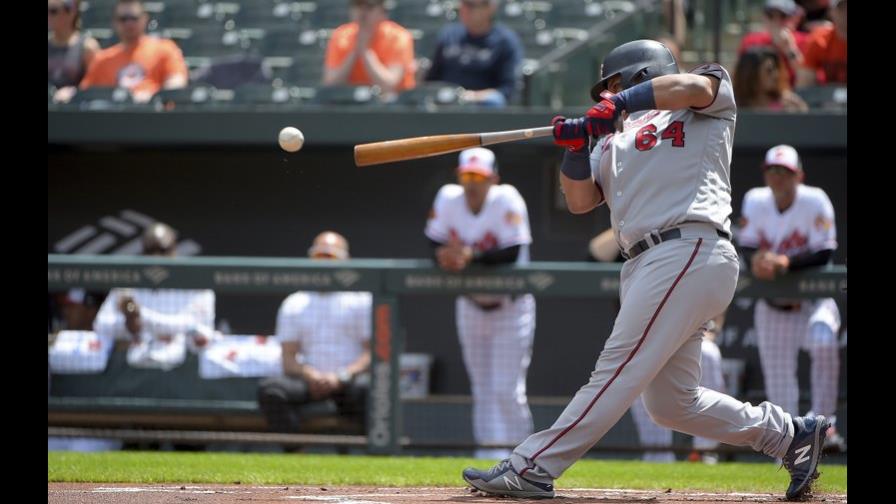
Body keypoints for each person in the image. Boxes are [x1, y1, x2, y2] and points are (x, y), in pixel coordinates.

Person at [462, 39, 830, 501]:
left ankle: (532, 465)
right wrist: (577, 148)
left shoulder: (703, 102)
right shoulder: (613, 139)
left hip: (688, 247)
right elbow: (579, 200)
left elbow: (689, 86)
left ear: (641, 74)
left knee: (615, 370)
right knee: (672, 404)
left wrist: (618, 103)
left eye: (614, 85)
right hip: (645, 262)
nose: (606, 96)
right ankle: (790, 435)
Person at [425, 147, 536, 459]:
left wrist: (470, 255)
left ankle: (521, 459)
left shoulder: (507, 198)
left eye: (479, 177)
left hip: (510, 306)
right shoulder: (448, 197)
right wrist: (442, 254)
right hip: (471, 305)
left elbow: (511, 252)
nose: (472, 184)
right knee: (482, 389)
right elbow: (433, 240)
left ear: (493, 179)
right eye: (467, 176)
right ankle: (487, 457)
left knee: (507, 390)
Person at [738, 144, 845, 453]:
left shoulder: (814, 200)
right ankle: (789, 452)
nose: (778, 177)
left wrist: (785, 263)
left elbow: (825, 251)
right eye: (772, 171)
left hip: (813, 300)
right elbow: (747, 246)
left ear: (799, 175)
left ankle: (826, 425)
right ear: (765, 174)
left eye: (784, 172)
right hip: (774, 306)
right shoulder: (756, 200)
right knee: (780, 389)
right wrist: (757, 259)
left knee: (824, 340)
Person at [590, 230, 726, 464]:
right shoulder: (629, 243)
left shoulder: (685, 238)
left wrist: (712, 330)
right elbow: (592, 255)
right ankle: (658, 455)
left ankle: (704, 453)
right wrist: (633, 225)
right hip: (639, 336)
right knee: (633, 370)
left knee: (710, 355)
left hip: (685, 329)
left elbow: (715, 287)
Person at [257, 232, 372, 435]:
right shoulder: (295, 302)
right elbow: (288, 358)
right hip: (308, 381)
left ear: (345, 261)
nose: (325, 263)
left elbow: (372, 353)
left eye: (331, 257)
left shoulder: (361, 299)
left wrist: (341, 376)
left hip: (349, 381)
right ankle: (295, 453)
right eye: (320, 256)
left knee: (372, 391)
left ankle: (370, 457)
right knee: (271, 390)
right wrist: (310, 374)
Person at [93, 222, 214, 370]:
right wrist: (129, 323)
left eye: (163, 251)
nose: (157, 257)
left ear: (174, 250)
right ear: (143, 251)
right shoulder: (128, 284)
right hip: (134, 367)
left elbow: (202, 332)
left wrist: (140, 316)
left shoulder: (194, 283)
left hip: (183, 369)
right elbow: (101, 324)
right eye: (151, 251)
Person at [79, 0, 188, 103]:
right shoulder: (103, 59)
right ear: (114, 22)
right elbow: (85, 93)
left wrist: (153, 97)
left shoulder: (165, 49)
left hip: (154, 115)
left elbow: (176, 82)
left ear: (145, 18)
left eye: (134, 18)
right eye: (123, 19)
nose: (129, 23)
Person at [425, 0, 524, 107]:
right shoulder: (448, 35)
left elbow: (508, 89)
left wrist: (470, 97)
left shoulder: (505, 41)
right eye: (463, 4)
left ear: (490, 9)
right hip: (446, 102)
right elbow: (432, 79)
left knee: (495, 100)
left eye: (471, 5)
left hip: (483, 107)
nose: (464, 10)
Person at [323, 0, 416, 94]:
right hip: (350, 102)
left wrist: (365, 52)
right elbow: (331, 84)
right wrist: (355, 51)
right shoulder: (340, 36)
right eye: (357, 5)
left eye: (369, 6)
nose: (362, 12)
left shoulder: (398, 37)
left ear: (383, 11)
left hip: (393, 104)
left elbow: (389, 85)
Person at [48, 0, 100, 103]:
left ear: (71, 12)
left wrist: (74, 93)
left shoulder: (87, 47)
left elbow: (95, 83)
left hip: (77, 110)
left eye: (53, 11)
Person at [733, 46, 808, 112]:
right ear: (751, 74)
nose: (776, 75)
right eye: (769, 71)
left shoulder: (789, 103)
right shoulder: (731, 105)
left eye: (776, 69)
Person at [797, 0, 846, 86]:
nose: (845, 13)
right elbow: (805, 84)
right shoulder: (818, 40)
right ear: (831, 11)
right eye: (841, 8)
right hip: (828, 97)